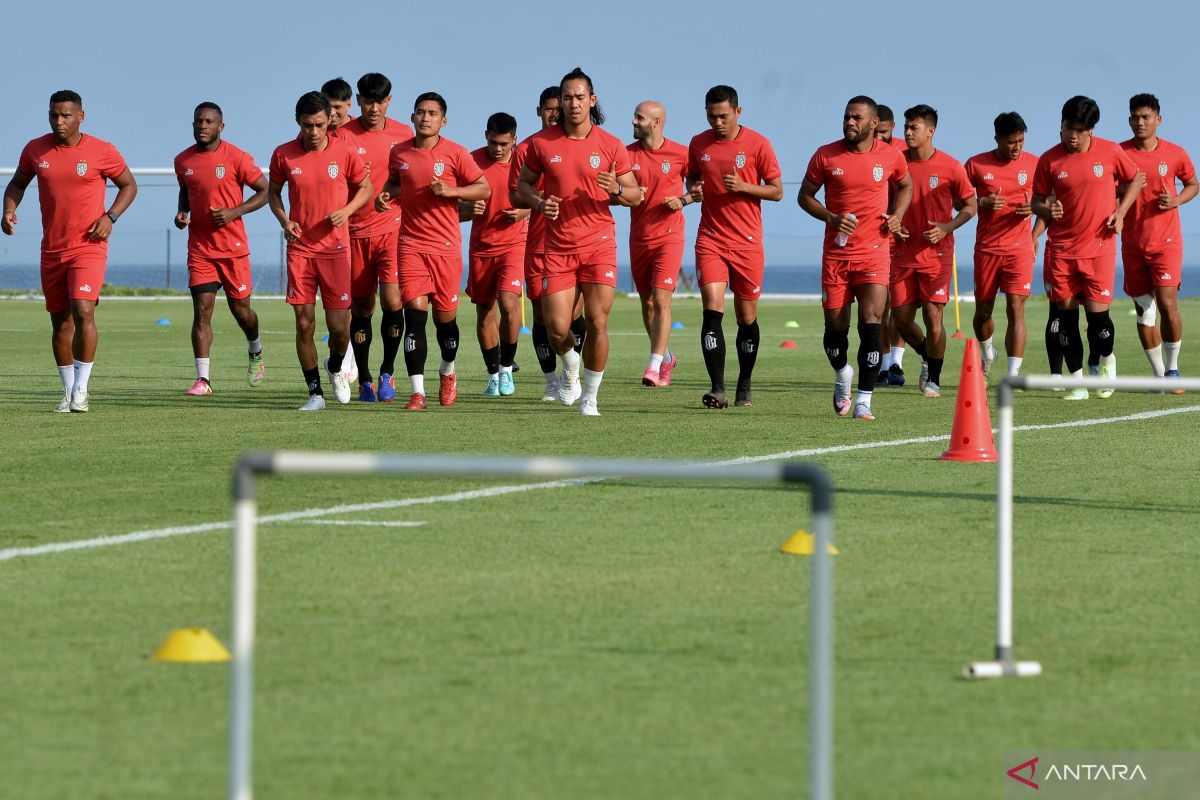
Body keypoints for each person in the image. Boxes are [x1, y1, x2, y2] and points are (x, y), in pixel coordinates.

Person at [515, 67, 641, 416]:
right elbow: (521, 188)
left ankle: (590, 397)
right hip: (556, 247)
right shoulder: (541, 145)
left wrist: (615, 188)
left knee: (598, 321)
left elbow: (634, 195)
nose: (573, 104)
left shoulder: (611, 144)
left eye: (580, 97)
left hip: (599, 243)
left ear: (592, 100)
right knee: (556, 328)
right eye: (567, 97)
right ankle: (570, 363)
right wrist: (540, 202)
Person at [2, 89, 137, 413]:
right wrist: (8, 209)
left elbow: (129, 185)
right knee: (60, 322)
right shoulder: (35, 150)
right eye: (53, 115)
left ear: (81, 116)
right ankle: (66, 391)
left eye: (65, 115)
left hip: (89, 246)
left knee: (83, 310)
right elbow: (17, 184)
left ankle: (82, 389)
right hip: (52, 250)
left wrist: (110, 216)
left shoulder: (102, 151)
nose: (58, 121)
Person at [799, 95, 911, 420]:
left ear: (873, 124)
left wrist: (897, 215)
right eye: (847, 116)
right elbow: (804, 196)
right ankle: (842, 373)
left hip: (875, 253)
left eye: (857, 118)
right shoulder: (825, 155)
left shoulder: (890, 156)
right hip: (836, 254)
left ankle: (864, 400)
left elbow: (906, 185)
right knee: (835, 331)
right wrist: (831, 218)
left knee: (872, 325)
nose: (850, 122)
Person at [375, 92, 489, 410]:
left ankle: (448, 371)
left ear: (443, 120)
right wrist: (384, 197)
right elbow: (396, 184)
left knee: (445, 323)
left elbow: (484, 188)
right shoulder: (399, 152)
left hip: (446, 248)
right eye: (420, 112)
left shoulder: (456, 153)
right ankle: (417, 393)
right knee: (414, 317)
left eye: (432, 113)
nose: (425, 118)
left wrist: (451, 191)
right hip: (411, 244)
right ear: (412, 117)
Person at [267, 91, 372, 411]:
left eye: (318, 125)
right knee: (303, 323)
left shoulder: (345, 150)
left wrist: (347, 210)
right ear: (297, 122)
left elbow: (365, 187)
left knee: (341, 329)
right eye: (306, 125)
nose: (312, 132)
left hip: (336, 250)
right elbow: (273, 193)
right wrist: (284, 220)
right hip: (300, 250)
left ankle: (336, 366)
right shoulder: (283, 154)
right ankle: (315, 394)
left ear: (329, 121)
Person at [1032, 96, 1140, 400]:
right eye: (1068, 128)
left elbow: (1135, 180)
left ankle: (1107, 360)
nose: (1073, 136)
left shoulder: (1110, 152)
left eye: (1080, 130)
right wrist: (1046, 209)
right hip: (1063, 251)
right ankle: (1077, 381)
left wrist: (1120, 213)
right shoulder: (1049, 160)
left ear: (1091, 130)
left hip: (1100, 249)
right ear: (1061, 125)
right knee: (1066, 320)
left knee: (1098, 321)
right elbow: (1036, 200)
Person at [685, 85, 783, 408]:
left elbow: (777, 191)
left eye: (723, 116)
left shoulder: (758, 144)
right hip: (711, 239)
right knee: (712, 310)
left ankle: (744, 381)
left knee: (746, 317)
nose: (717, 122)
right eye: (712, 116)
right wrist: (694, 188)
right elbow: (693, 178)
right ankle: (717, 388)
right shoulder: (699, 144)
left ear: (738, 112)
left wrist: (743, 187)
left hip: (748, 243)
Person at [173, 102, 269, 396]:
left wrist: (233, 212)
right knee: (202, 312)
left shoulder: (237, 157)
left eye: (209, 121)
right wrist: (182, 212)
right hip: (200, 248)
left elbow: (265, 191)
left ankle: (255, 348)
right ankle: (203, 379)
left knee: (242, 313)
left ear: (220, 127)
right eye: (198, 121)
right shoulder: (183, 161)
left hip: (233, 249)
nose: (203, 125)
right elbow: (186, 189)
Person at [334, 73, 414, 402]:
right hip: (354, 233)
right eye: (368, 101)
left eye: (380, 101)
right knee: (363, 306)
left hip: (394, 231)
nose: (374, 108)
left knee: (394, 301)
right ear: (359, 100)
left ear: (389, 101)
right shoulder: (340, 136)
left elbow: (411, 178)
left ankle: (388, 373)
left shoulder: (404, 134)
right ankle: (364, 377)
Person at [890, 104, 976, 398]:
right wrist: (894, 223)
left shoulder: (952, 167)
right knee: (900, 318)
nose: (908, 133)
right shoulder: (895, 163)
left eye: (914, 128)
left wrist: (947, 227)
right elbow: (885, 202)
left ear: (931, 131)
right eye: (906, 127)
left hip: (936, 256)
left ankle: (934, 379)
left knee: (933, 316)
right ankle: (928, 355)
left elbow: (970, 206)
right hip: (901, 253)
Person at [1119, 93, 1197, 389]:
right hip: (1132, 244)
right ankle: (1158, 374)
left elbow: (1193, 184)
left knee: (1167, 304)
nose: (1140, 122)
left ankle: (1174, 370)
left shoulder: (1175, 153)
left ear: (1158, 120)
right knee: (1144, 311)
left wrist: (1176, 200)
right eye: (1135, 117)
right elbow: (1106, 189)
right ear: (1129, 120)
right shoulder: (1119, 153)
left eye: (1146, 117)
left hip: (1166, 242)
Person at [510, 86, 578, 401]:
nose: (554, 113)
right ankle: (552, 380)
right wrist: (535, 204)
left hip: (578, 244)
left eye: (558, 108)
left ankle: (572, 374)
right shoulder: (526, 150)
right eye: (548, 108)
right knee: (542, 317)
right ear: (538, 111)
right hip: (538, 245)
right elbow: (516, 193)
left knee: (576, 315)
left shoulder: (577, 144)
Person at [964, 112, 1041, 378]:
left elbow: (1050, 203)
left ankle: (1013, 374)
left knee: (1015, 309)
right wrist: (982, 203)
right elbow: (958, 202)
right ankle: (988, 352)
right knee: (983, 312)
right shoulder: (975, 165)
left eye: (1020, 141)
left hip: (1019, 249)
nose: (1017, 147)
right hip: (986, 250)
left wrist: (1035, 231)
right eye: (1011, 142)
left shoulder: (1035, 165)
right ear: (997, 138)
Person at [462, 112, 528, 397]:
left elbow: (543, 198)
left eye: (503, 143)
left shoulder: (525, 161)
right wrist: (466, 210)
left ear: (514, 139)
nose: (497, 149)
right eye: (492, 142)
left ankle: (506, 368)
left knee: (509, 303)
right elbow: (451, 203)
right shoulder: (471, 160)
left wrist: (524, 211)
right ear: (485, 136)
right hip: (481, 246)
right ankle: (492, 375)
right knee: (484, 310)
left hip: (514, 244)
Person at [626, 100, 690, 387]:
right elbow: (613, 193)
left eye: (639, 118)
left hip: (670, 237)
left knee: (661, 299)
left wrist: (683, 200)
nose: (633, 122)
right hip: (639, 239)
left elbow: (699, 187)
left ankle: (653, 367)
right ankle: (665, 358)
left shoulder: (680, 153)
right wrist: (624, 193)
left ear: (656, 122)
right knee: (647, 304)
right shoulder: (626, 155)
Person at [874, 102, 909, 386]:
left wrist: (899, 219)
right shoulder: (863, 149)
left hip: (901, 237)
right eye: (876, 133)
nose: (879, 139)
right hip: (874, 238)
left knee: (900, 304)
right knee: (880, 305)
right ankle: (884, 364)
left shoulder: (902, 153)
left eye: (884, 133)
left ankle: (897, 362)